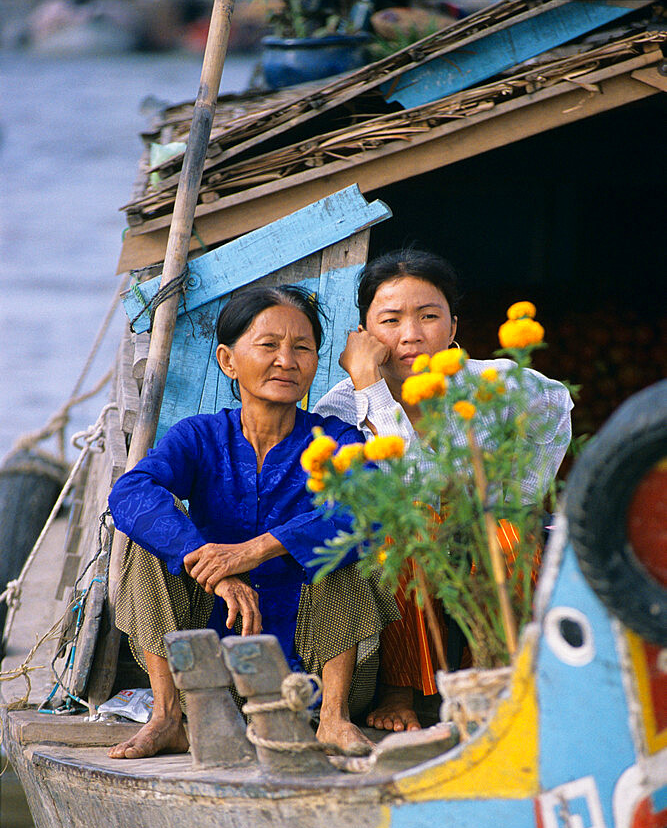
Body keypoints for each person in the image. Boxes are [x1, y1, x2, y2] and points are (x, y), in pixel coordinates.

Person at [107, 285, 397, 760]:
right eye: (269, 345)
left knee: (344, 545)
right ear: (227, 360)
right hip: (210, 680)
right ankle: (168, 717)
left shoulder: (336, 439)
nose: (287, 359)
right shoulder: (200, 436)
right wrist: (211, 564)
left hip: (313, 675)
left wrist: (260, 548)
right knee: (152, 543)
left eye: (302, 348)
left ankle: (333, 721)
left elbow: (369, 508)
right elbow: (130, 494)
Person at [314, 248, 573, 732]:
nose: (410, 334)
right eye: (390, 320)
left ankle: (494, 675)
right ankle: (400, 688)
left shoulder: (489, 383)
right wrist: (370, 387)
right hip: (403, 542)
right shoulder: (341, 408)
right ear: (364, 333)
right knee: (403, 527)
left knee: (507, 534)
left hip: (480, 527)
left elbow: (556, 403)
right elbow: (409, 482)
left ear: (453, 327)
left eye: (428, 316)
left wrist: (517, 491)